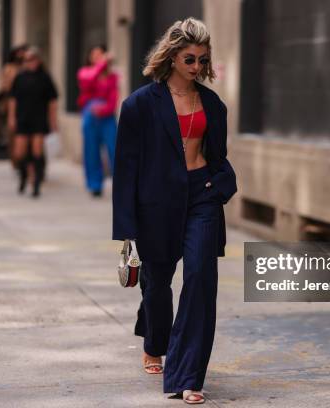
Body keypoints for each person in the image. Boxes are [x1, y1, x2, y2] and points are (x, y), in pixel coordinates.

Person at [112, 18, 237, 404]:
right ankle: (154, 341)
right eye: (190, 59)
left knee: (200, 279)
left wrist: (219, 187)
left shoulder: (213, 105)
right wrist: (127, 229)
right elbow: (126, 168)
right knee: (157, 284)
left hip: (202, 197)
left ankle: (188, 376)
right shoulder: (139, 106)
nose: (197, 67)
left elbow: (219, 157)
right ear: (171, 57)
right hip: (156, 204)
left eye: (202, 59)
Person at [8, 47, 58, 198]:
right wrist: (11, 117)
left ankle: (36, 183)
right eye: (27, 59)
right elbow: (12, 99)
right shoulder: (20, 77)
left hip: (39, 118)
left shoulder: (45, 78)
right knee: (20, 152)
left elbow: (52, 101)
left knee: (37, 151)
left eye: (33, 59)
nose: (31, 62)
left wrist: (53, 121)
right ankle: (23, 175)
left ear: (39, 60)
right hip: (22, 118)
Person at [77, 44, 119, 197]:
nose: (97, 57)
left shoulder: (112, 76)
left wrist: (105, 109)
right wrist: (103, 63)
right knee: (91, 151)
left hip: (107, 117)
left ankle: (120, 184)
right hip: (90, 116)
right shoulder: (84, 72)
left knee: (114, 150)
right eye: (94, 55)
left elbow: (114, 97)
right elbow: (89, 80)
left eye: (100, 54)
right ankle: (95, 185)